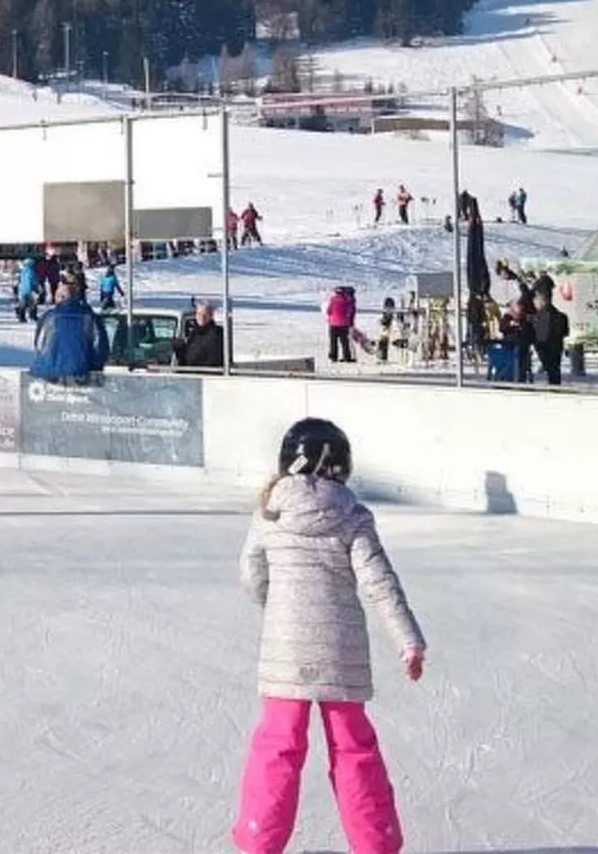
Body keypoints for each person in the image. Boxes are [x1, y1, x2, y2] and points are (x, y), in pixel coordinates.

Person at [232, 418, 426, 854]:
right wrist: (408, 640)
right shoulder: (352, 516)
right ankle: (376, 845)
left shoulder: (269, 511)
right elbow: (381, 583)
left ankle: (258, 843)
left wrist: (278, 605)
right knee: (353, 748)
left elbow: (251, 573)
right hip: (343, 655)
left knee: (277, 746)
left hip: (285, 651)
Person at [30, 279, 108, 384]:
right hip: (81, 374)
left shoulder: (48, 317)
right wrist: (94, 367)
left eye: (56, 295)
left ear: (61, 298)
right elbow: (100, 348)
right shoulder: (90, 318)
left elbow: (39, 346)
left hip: (48, 374)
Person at [530, 291, 569, 387]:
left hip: (544, 345)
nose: (534, 303)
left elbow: (536, 333)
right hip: (556, 345)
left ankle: (553, 386)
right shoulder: (561, 316)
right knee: (554, 369)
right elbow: (565, 332)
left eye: (536, 301)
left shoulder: (538, 317)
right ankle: (555, 386)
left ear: (543, 302)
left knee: (550, 367)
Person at [175, 298, 226, 368]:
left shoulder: (216, 334)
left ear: (211, 316)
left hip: (206, 375)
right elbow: (186, 358)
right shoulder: (194, 333)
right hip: (190, 372)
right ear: (195, 315)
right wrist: (179, 349)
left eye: (205, 315)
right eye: (199, 314)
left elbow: (211, 358)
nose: (202, 317)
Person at [324, 286, 356, 364]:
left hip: (333, 324)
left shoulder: (332, 299)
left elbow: (328, 311)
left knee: (333, 341)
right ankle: (347, 357)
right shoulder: (348, 301)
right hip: (344, 324)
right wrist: (351, 322)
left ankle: (333, 357)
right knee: (344, 341)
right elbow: (351, 312)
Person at [15, 254, 39, 323]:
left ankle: (21, 317)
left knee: (23, 304)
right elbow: (33, 280)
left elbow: (20, 281)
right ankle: (33, 316)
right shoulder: (31, 271)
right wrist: (36, 287)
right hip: (30, 290)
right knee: (33, 303)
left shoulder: (23, 271)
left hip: (23, 290)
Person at [377, 298, 396, 364]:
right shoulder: (388, 313)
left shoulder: (388, 314)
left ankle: (382, 357)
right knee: (383, 342)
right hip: (386, 325)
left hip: (386, 326)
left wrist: (383, 322)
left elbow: (387, 319)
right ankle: (382, 357)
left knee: (383, 342)